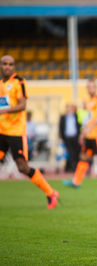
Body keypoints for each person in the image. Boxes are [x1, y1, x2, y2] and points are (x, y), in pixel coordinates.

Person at [0, 55, 59, 209]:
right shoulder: (0, 84)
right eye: (5, 64)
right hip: (1, 131)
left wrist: (4, 111)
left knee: (22, 167)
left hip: (16, 132)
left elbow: (22, 105)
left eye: (10, 64)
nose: (7, 66)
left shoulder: (19, 82)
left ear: (14, 66)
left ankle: (51, 192)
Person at [63, 79, 97, 189]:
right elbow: (87, 119)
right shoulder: (89, 102)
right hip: (89, 135)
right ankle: (76, 181)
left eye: (92, 87)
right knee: (83, 157)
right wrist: (83, 133)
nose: (90, 89)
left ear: (96, 88)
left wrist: (90, 127)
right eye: (88, 87)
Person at [59, 103, 81, 172]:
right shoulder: (63, 117)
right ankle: (72, 168)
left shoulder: (75, 116)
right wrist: (61, 137)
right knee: (70, 153)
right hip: (67, 138)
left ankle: (76, 167)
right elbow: (61, 127)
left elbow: (79, 126)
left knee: (76, 153)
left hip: (75, 137)